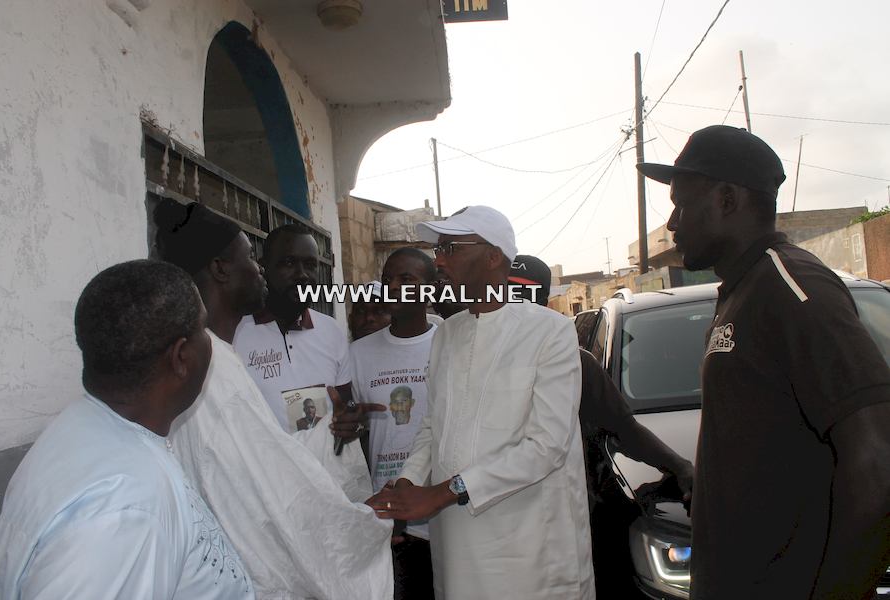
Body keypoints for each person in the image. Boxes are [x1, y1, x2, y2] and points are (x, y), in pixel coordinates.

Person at [637, 124, 890, 599]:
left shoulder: (793, 289)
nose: (673, 223)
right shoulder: (742, 288)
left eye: (682, 204)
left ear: (728, 200)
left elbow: (877, 461)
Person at [154, 199, 393, 599]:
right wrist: (360, 527)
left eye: (310, 265)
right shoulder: (208, 367)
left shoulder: (218, 357)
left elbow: (266, 464)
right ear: (220, 268)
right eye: (253, 258)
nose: (260, 270)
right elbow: (261, 482)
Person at [366, 206, 594, 600]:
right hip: (457, 548)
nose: (438, 260)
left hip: (529, 549)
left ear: (493, 257)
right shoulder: (446, 334)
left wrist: (439, 493)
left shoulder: (550, 332)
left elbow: (546, 447)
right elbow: (433, 425)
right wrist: (405, 484)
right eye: (438, 249)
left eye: (450, 248)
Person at [0, 260, 253, 599]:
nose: (211, 342)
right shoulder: (126, 509)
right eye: (204, 329)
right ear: (181, 357)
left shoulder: (87, 426)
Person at [509, 254, 693, 600]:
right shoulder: (470, 358)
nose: (515, 303)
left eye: (525, 294)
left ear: (544, 302)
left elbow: (625, 429)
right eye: (506, 291)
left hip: (561, 523)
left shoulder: (575, 361)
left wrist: (680, 466)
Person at [350, 247, 439, 600]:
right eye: (388, 280)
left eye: (407, 279)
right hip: (392, 518)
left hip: (447, 508)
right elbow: (353, 436)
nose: (394, 287)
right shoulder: (359, 354)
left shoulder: (449, 342)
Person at [233, 224, 355, 433]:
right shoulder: (236, 334)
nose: (302, 275)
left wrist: (351, 422)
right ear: (264, 267)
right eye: (289, 263)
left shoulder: (331, 331)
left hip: (325, 464)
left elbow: (345, 407)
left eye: (310, 264)